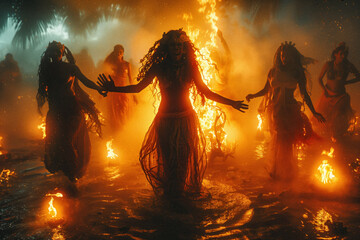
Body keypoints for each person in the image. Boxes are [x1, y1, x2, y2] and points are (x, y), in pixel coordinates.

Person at [98, 29, 248, 200]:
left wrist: (232, 103)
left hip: (185, 120)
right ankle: (171, 199)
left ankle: (179, 197)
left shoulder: (190, 68)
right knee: (169, 162)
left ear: (184, 48)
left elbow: (206, 92)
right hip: (165, 121)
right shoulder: (159, 67)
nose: (176, 48)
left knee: (183, 161)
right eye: (173, 45)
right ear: (167, 48)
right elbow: (138, 87)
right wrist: (113, 88)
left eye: (179, 45)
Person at [246, 42, 325, 181]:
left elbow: (304, 95)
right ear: (279, 56)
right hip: (275, 110)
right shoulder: (273, 72)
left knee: (286, 140)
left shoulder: (297, 73)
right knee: (278, 138)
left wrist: (314, 112)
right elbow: (266, 90)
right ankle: (276, 170)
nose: (284, 58)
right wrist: (253, 95)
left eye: (287, 56)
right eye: (282, 56)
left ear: (293, 57)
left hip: (290, 109)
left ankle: (286, 171)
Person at [37, 41, 105, 182]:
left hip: (71, 110)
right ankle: (67, 173)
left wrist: (99, 88)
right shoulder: (46, 69)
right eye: (52, 52)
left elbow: (86, 82)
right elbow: (42, 89)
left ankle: (73, 177)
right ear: (48, 53)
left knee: (67, 141)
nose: (55, 55)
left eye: (58, 52)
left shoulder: (71, 68)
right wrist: (41, 100)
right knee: (57, 142)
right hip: (55, 111)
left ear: (62, 54)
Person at [315, 42, 360, 138]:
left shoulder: (348, 65)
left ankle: (336, 137)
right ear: (335, 54)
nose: (343, 56)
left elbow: (358, 76)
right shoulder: (328, 64)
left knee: (336, 117)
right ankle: (325, 138)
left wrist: (347, 82)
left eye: (345, 54)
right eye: (341, 54)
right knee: (323, 116)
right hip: (327, 95)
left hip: (340, 96)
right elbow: (319, 79)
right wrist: (324, 90)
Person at [103, 44, 134, 132]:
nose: (118, 53)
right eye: (117, 51)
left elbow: (131, 80)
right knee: (113, 114)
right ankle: (115, 132)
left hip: (124, 92)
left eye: (120, 52)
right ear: (114, 52)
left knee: (123, 112)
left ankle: (123, 132)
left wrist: (134, 94)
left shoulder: (127, 64)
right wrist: (102, 92)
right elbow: (106, 79)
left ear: (123, 53)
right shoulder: (110, 64)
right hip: (113, 92)